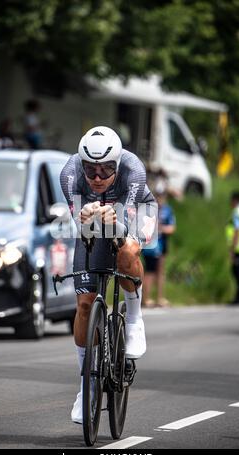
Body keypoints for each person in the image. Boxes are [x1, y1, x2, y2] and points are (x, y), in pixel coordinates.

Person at [60, 126, 157, 424]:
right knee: (85, 304)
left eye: (106, 170)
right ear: (82, 165)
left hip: (135, 211)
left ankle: (134, 318)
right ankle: (85, 385)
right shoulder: (69, 175)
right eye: (91, 170)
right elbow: (83, 229)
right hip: (93, 218)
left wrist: (112, 219)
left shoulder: (133, 170)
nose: (98, 178)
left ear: (117, 163)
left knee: (127, 251)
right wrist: (87, 218)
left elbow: (125, 225)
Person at [142, 184, 176, 307]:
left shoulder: (168, 210)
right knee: (149, 271)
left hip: (163, 243)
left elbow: (172, 228)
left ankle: (160, 298)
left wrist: (162, 229)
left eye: (162, 195)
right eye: (158, 195)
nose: (160, 198)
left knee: (160, 271)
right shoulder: (149, 209)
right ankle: (145, 298)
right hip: (150, 244)